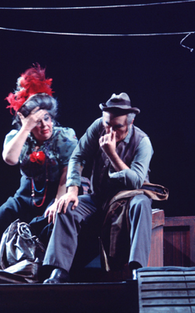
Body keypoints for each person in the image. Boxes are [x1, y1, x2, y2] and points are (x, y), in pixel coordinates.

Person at [43, 92, 154, 283]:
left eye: (117, 127)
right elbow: (77, 156)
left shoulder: (143, 142)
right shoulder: (98, 127)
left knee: (142, 203)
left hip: (127, 199)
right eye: (107, 125)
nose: (110, 131)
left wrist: (112, 154)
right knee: (66, 207)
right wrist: (72, 190)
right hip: (98, 198)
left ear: (131, 122)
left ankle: (138, 269)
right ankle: (59, 270)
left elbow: (136, 181)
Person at [0, 64, 78, 270]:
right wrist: (27, 125)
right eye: (38, 121)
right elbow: (9, 159)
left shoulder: (64, 136)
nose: (44, 125)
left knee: (55, 218)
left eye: (47, 118)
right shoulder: (17, 137)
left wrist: (58, 200)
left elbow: (66, 173)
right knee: (4, 212)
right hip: (26, 194)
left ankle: (47, 268)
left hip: (54, 193)